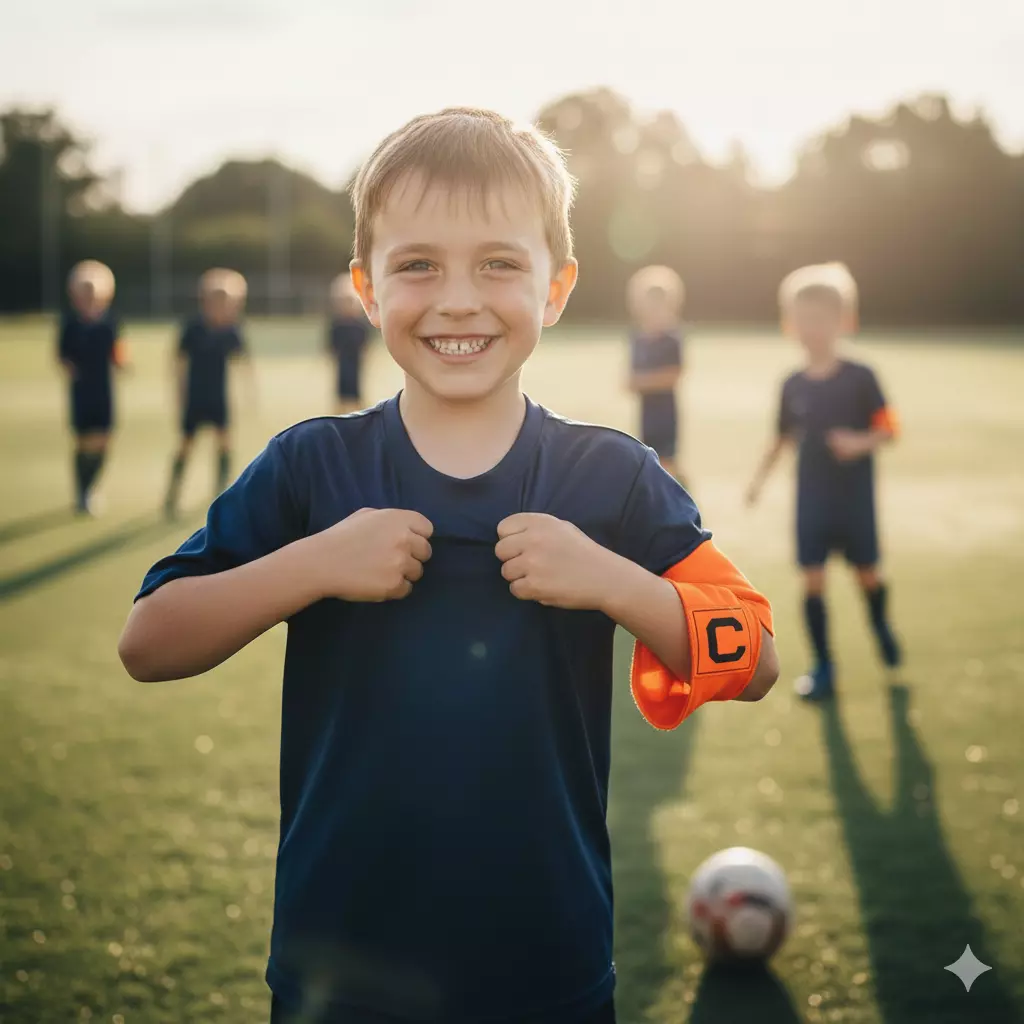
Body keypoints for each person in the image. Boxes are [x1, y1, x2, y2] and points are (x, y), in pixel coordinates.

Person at [119, 107, 779, 1024]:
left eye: (500, 263)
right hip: (337, 973)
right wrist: (313, 563)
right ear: (366, 287)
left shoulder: (611, 475)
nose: (459, 298)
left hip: (547, 966)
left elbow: (756, 660)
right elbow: (148, 641)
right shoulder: (312, 467)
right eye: (418, 264)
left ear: (556, 289)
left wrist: (616, 584)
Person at [746, 262, 901, 701]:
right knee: (812, 579)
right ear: (788, 324)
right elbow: (780, 438)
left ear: (845, 321)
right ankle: (824, 667)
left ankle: (880, 625)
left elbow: (890, 428)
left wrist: (859, 441)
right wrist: (758, 482)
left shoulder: (861, 378)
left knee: (866, 574)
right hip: (812, 501)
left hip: (854, 501)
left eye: (822, 319)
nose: (812, 328)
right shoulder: (792, 384)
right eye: (803, 319)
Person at [164, 268, 253, 518]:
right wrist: (179, 395)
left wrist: (248, 393)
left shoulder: (231, 330)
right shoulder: (192, 328)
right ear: (206, 299)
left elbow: (243, 362)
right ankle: (172, 495)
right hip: (195, 398)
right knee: (186, 445)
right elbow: (178, 363)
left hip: (218, 398)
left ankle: (221, 494)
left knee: (224, 443)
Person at [57, 260, 129, 515]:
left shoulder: (110, 322)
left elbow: (118, 352)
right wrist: (72, 370)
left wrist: (123, 363)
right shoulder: (69, 322)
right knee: (83, 441)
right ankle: (82, 492)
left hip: (104, 388)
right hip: (81, 390)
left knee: (104, 440)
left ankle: (90, 487)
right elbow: (62, 355)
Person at [626, 265, 686, 480]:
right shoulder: (637, 338)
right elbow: (630, 378)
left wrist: (642, 381)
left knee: (667, 459)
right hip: (646, 411)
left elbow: (673, 375)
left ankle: (680, 491)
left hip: (665, 411)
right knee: (649, 457)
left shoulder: (672, 337)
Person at [326, 273, 371, 413]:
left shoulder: (360, 324)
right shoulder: (337, 324)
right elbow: (331, 346)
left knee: (356, 392)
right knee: (341, 394)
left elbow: (365, 345)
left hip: (356, 363)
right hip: (342, 363)